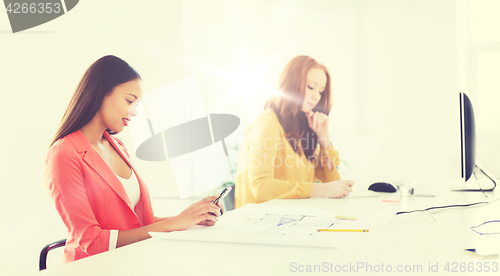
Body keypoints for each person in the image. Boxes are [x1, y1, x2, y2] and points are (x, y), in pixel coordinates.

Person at [44, 55, 221, 263]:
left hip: (132, 262)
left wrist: (191, 218)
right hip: (92, 268)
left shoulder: (117, 146)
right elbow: (91, 241)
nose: (134, 112)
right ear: (100, 92)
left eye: (136, 104)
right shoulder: (63, 154)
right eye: (129, 101)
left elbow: (138, 225)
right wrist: (177, 223)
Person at [235, 55, 354, 208]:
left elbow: (334, 183)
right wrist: (320, 189)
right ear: (291, 84)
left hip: (290, 220)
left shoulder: (301, 128)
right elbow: (260, 186)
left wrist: (324, 137)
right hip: (260, 223)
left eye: (321, 91)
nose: (316, 96)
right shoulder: (267, 123)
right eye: (311, 87)